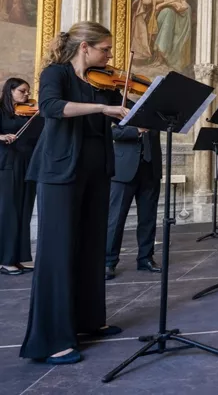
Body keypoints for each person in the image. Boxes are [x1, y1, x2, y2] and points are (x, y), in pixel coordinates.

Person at [20, 22, 129, 365]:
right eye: (105, 49)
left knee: (90, 249)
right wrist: (101, 108)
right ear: (85, 47)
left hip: (96, 172)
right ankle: (51, 340)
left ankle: (87, 321)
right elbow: (52, 107)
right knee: (58, 253)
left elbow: (123, 117)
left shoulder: (102, 83)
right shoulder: (56, 74)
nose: (109, 56)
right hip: (59, 171)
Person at [104, 118, 162, 281]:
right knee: (115, 219)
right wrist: (136, 130)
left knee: (148, 218)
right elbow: (110, 132)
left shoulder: (156, 110)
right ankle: (108, 261)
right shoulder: (120, 104)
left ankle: (145, 258)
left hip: (150, 169)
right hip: (124, 169)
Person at [0, 78, 43, 275]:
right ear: (10, 91)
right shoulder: (1, 110)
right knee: (9, 212)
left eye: (28, 91)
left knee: (24, 211)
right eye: (22, 91)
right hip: (7, 164)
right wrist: (1, 136)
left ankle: (19, 258)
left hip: (28, 164)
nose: (27, 95)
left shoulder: (31, 113)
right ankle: (5, 259)